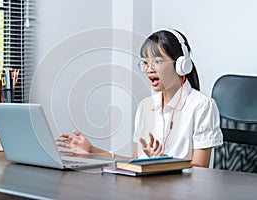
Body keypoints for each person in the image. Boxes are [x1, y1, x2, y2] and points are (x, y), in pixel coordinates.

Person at [56, 29, 223, 167]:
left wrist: (162, 161)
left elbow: (201, 169)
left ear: (181, 65)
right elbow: (136, 162)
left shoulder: (201, 105)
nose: (149, 69)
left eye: (157, 62)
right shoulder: (146, 106)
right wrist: (92, 151)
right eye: (145, 62)